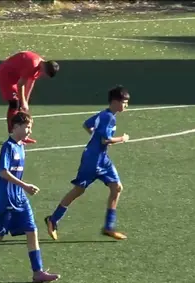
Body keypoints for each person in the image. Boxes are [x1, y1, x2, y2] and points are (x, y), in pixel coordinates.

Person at [0, 111, 60, 283]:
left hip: (20, 198)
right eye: (27, 127)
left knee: (32, 231)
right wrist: (25, 186)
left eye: (30, 127)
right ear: (16, 127)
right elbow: (3, 172)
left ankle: (38, 272)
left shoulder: (21, 146)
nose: (29, 131)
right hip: (6, 198)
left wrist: (22, 189)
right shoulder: (8, 147)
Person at [44, 85, 131, 241]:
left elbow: (87, 124)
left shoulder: (104, 114)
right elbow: (105, 140)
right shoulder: (108, 117)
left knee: (117, 187)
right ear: (115, 101)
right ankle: (53, 219)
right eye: (124, 102)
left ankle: (109, 227)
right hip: (92, 160)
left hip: (102, 159)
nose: (126, 105)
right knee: (78, 190)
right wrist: (122, 139)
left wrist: (95, 137)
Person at [0, 51, 59, 144]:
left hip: (15, 77)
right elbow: (21, 84)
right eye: (45, 74)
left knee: (20, 105)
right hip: (5, 75)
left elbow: (31, 82)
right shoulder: (33, 65)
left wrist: (25, 101)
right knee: (14, 104)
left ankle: (22, 135)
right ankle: (12, 135)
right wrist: (23, 101)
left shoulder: (39, 67)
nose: (43, 76)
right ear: (45, 69)